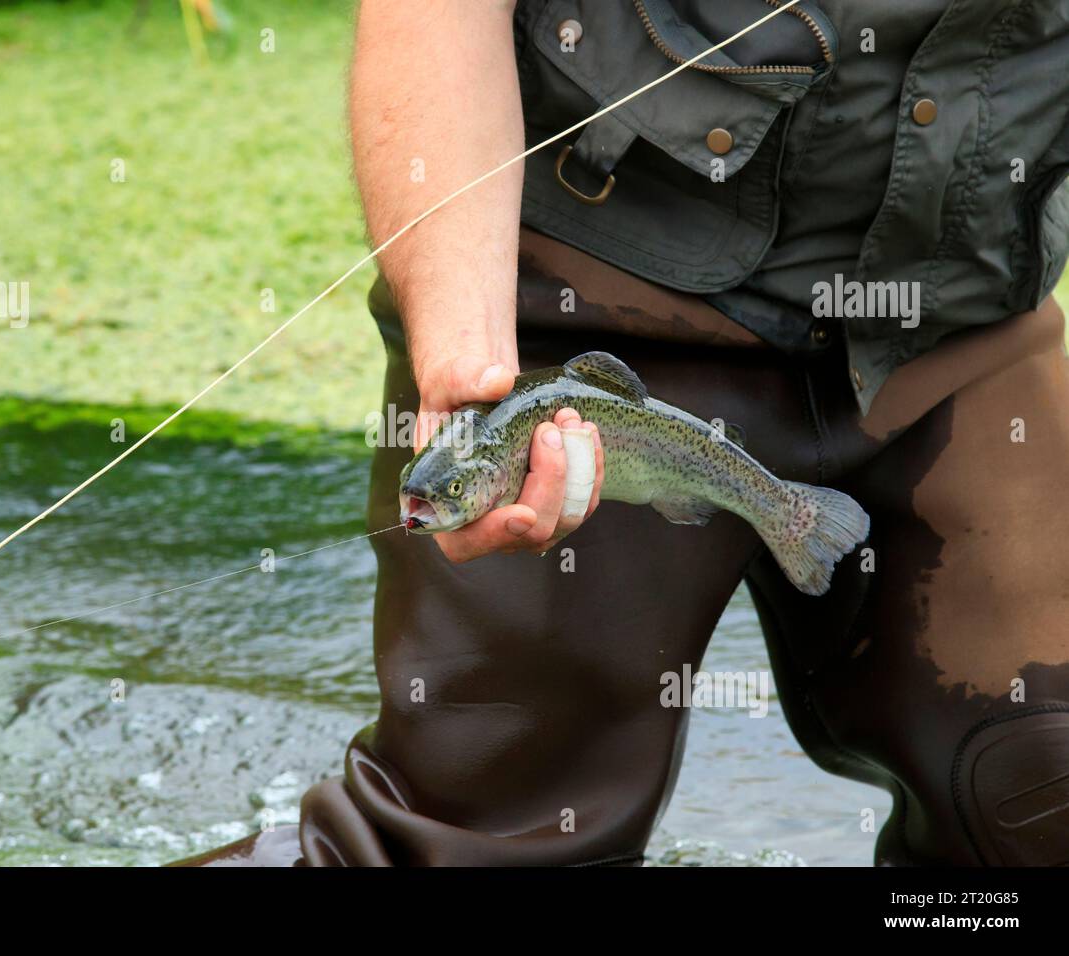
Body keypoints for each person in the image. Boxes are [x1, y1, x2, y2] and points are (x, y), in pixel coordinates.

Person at [179, 0, 1069, 866]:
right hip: (591, 301)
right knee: (483, 828)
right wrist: (465, 364)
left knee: (1039, 794)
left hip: (962, 322)